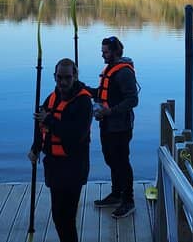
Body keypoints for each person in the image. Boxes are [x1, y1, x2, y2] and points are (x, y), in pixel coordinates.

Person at [28, 58, 93, 242]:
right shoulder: (51, 98)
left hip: (74, 167)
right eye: (59, 78)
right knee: (57, 215)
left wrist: (50, 121)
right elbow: (41, 126)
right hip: (54, 166)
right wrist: (35, 148)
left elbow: (76, 134)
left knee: (67, 217)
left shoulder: (83, 102)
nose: (63, 82)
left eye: (67, 78)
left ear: (75, 76)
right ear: (54, 77)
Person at [90, 35, 139, 219]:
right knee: (111, 160)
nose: (103, 55)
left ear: (116, 52)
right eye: (102, 51)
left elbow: (133, 100)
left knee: (122, 163)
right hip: (107, 125)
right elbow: (103, 93)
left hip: (120, 127)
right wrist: (83, 88)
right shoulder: (109, 69)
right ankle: (116, 193)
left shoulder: (124, 73)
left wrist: (109, 112)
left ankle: (128, 201)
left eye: (106, 52)